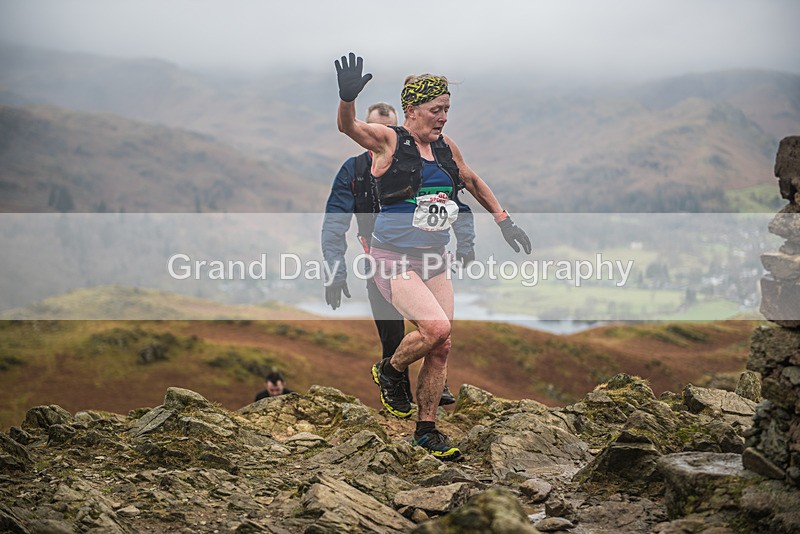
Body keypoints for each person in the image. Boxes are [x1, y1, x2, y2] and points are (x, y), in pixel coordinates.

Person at [334, 53, 532, 460]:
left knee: (442, 346)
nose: (443, 118)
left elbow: (472, 180)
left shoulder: (445, 148)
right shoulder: (390, 140)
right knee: (435, 328)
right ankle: (390, 370)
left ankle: (426, 431)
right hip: (393, 259)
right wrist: (347, 98)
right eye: (436, 110)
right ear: (412, 110)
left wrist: (504, 220)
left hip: (433, 259)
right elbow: (348, 127)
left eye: (447, 110)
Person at [321, 102, 476, 407]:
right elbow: (334, 223)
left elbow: (451, 201)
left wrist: (466, 243)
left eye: (393, 128)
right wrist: (334, 272)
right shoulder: (353, 171)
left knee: (436, 331)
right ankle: (397, 399)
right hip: (381, 262)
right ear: (368, 131)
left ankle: (435, 388)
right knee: (392, 335)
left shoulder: (417, 157)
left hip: (426, 258)